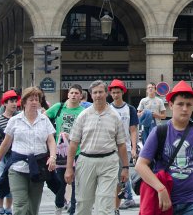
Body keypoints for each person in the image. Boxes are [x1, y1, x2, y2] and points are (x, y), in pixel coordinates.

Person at [136, 81, 193, 215]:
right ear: (171, 105)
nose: (185, 109)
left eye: (188, 105)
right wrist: (160, 189)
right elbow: (140, 165)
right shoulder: (159, 132)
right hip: (164, 201)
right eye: (180, 104)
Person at [64, 80, 130, 215]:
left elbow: (121, 144)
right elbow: (73, 143)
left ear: (106, 93)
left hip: (109, 162)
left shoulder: (115, 116)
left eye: (100, 92)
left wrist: (125, 167)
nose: (98, 95)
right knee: (83, 204)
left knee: (105, 206)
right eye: (95, 93)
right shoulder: (83, 115)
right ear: (90, 95)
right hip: (86, 161)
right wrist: (69, 168)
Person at [0, 87, 57, 215]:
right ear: (24, 102)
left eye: (37, 100)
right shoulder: (15, 120)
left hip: (38, 167)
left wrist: (53, 157)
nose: (34, 102)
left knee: (33, 206)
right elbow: (5, 144)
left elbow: (51, 140)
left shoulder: (44, 120)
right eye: (31, 100)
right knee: (20, 204)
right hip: (17, 168)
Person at [45, 85, 86, 215]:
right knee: (60, 184)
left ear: (81, 96)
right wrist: (51, 134)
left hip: (78, 152)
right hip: (61, 152)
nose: (74, 95)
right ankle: (58, 208)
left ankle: (73, 210)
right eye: (71, 93)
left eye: (76, 93)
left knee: (76, 185)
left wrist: (72, 136)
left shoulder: (84, 112)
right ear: (68, 94)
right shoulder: (59, 107)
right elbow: (43, 118)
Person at [107, 79, 139, 212]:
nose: (115, 95)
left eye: (118, 92)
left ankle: (116, 207)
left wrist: (134, 148)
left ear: (123, 92)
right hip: (108, 148)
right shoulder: (107, 108)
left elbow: (133, 130)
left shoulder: (130, 109)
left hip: (124, 148)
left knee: (121, 179)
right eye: (113, 92)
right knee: (108, 179)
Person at [0, 90, 19, 215]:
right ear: (5, 104)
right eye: (11, 101)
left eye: (15, 101)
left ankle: (8, 207)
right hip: (0, 154)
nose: (14, 104)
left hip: (14, 154)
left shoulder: (19, 119)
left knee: (13, 180)